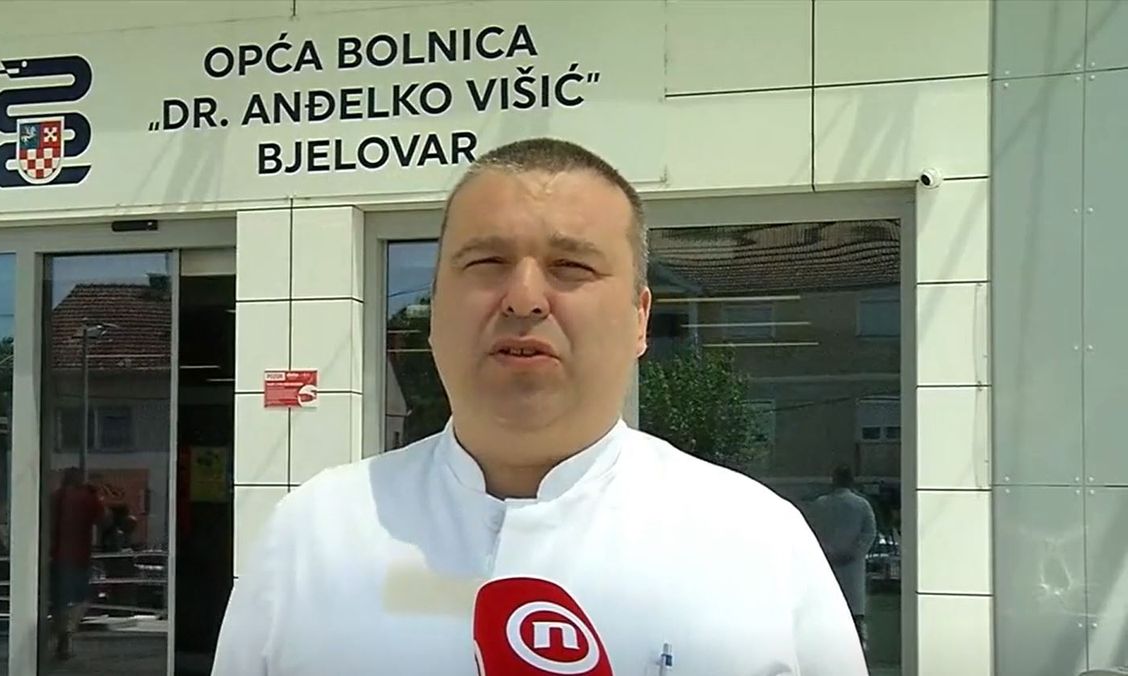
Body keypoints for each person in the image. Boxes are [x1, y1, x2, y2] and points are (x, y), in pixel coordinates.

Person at [211, 138, 868, 675]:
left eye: (571, 267)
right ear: (435, 309)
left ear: (640, 318)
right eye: (487, 262)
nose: (524, 298)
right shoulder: (313, 537)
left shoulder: (758, 543)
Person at [809, 466, 879, 652]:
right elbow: (869, 533)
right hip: (852, 568)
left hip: (827, 564)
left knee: (827, 614)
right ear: (851, 481)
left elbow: (812, 532)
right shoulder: (862, 505)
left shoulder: (820, 504)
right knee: (854, 616)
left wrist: (827, 552)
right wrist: (854, 552)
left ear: (833, 480)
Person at [48, 467, 102, 661]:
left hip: (57, 556)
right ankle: (67, 632)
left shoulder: (55, 498)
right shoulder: (87, 498)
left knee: (59, 600)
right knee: (81, 598)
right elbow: (104, 520)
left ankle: (62, 634)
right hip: (80, 557)